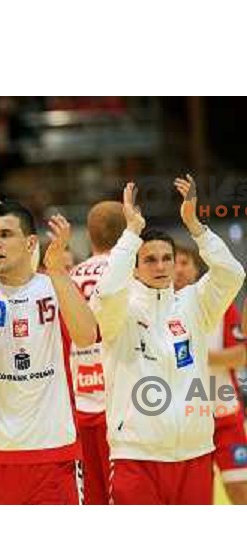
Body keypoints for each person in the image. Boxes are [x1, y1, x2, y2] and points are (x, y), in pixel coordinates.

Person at [91, 176, 245, 504]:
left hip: (195, 453)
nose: (161, 266)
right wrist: (131, 234)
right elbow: (105, 292)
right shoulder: (121, 310)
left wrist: (196, 227)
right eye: (149, 259)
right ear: (134, 267)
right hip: (136, 457)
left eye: (166, 258)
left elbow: (233, 274)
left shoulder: (192, 303)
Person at [0, 202, 98, 504]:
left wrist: (57, 271)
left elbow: (87, 336)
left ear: (30, 243)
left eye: (5, 234)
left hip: (53, 449)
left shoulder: (54, 286)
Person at [174, 244, 247, 504]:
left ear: (196, 270)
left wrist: (190, 357)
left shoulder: (222, 308)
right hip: (187, 422)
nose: (179, 269)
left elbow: (240, 356)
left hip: (225, 414)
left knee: (241, 492)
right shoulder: (160, 309)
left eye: (186, 263)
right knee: (197, 500)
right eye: (176, 262)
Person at [69, 201, 126, 504]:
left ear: (88, 236)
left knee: (91, 500)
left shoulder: (70, 277)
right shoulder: (131, 273)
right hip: (123, 405)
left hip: (79, 403)